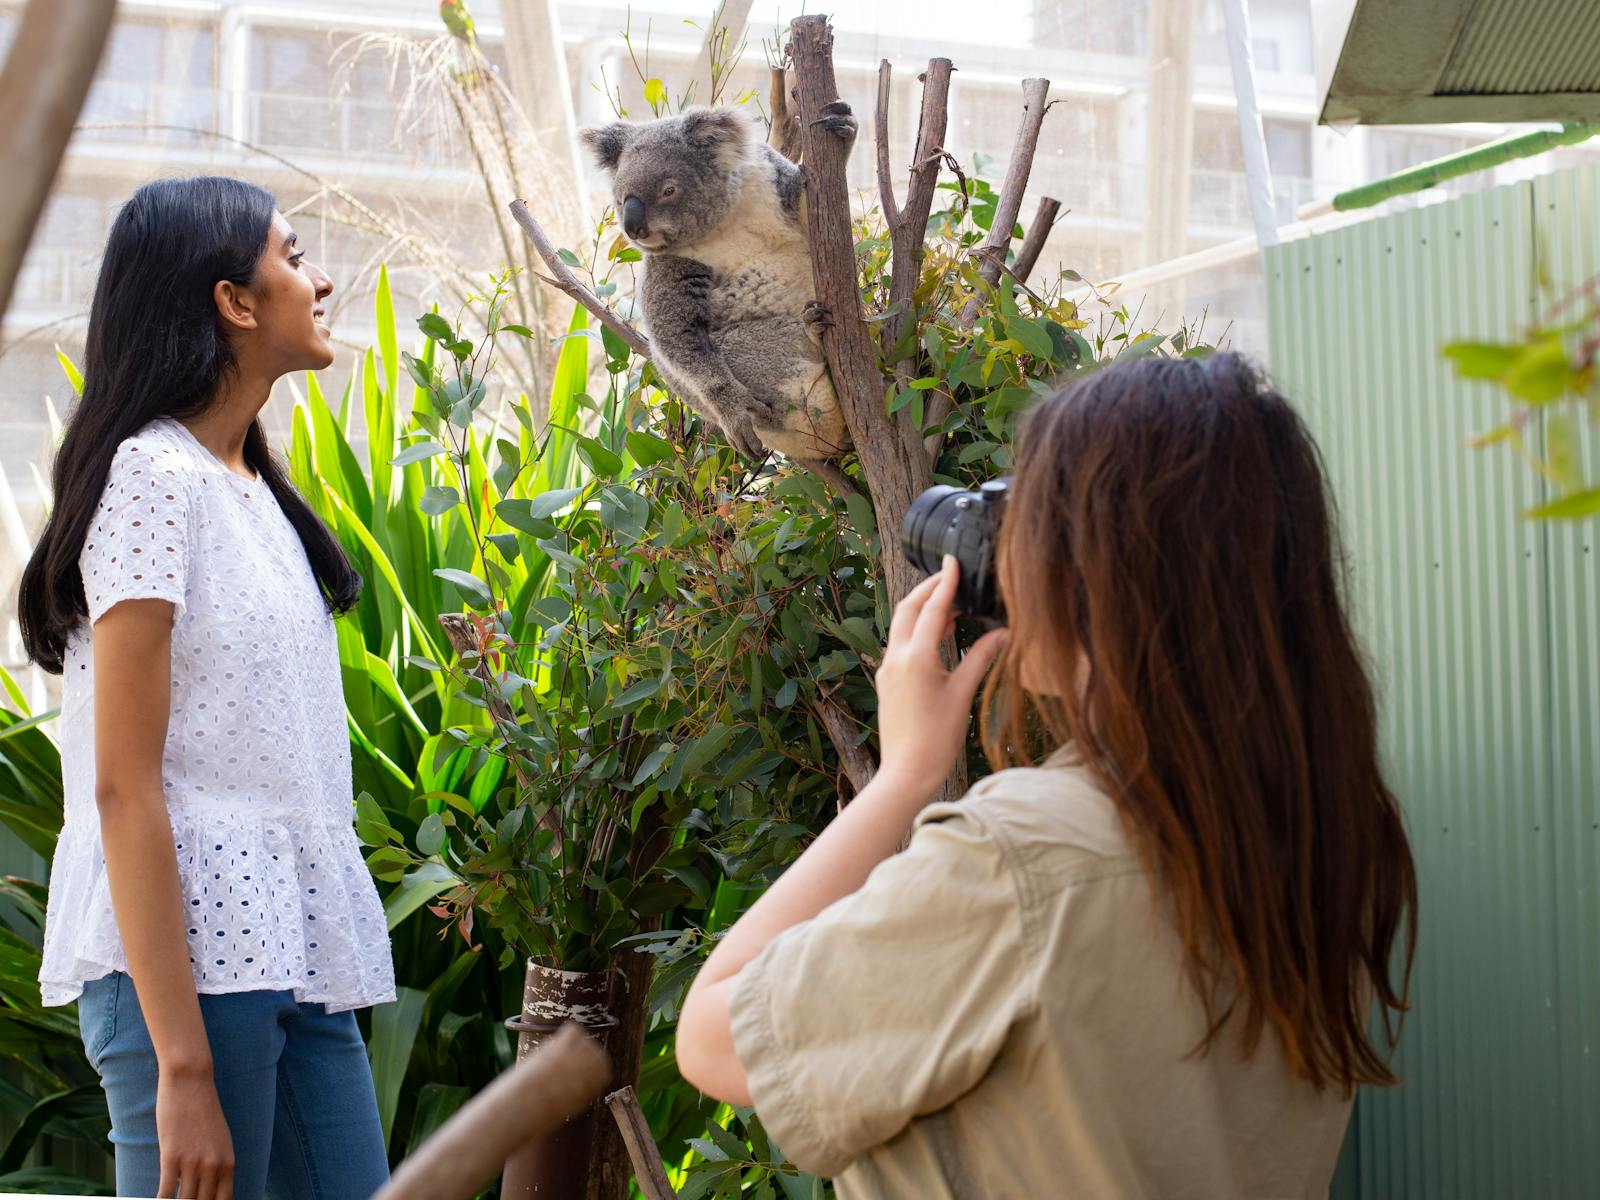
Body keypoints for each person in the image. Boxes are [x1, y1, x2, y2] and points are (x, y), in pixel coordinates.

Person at [676, 352, 1418, 1198]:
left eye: (1029, 519)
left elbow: (712, 1037)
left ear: (1102, 571)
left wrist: (904, 777)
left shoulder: (1021, 860)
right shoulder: (1330, 834)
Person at [18, 177, 394, 1200]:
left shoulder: (253, 492)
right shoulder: (150, 478)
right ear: (233, 300)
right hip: (187, 981)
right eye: (293, 256)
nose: (320, 281)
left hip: (297, 961)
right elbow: (122, 787)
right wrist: (180, 1068)